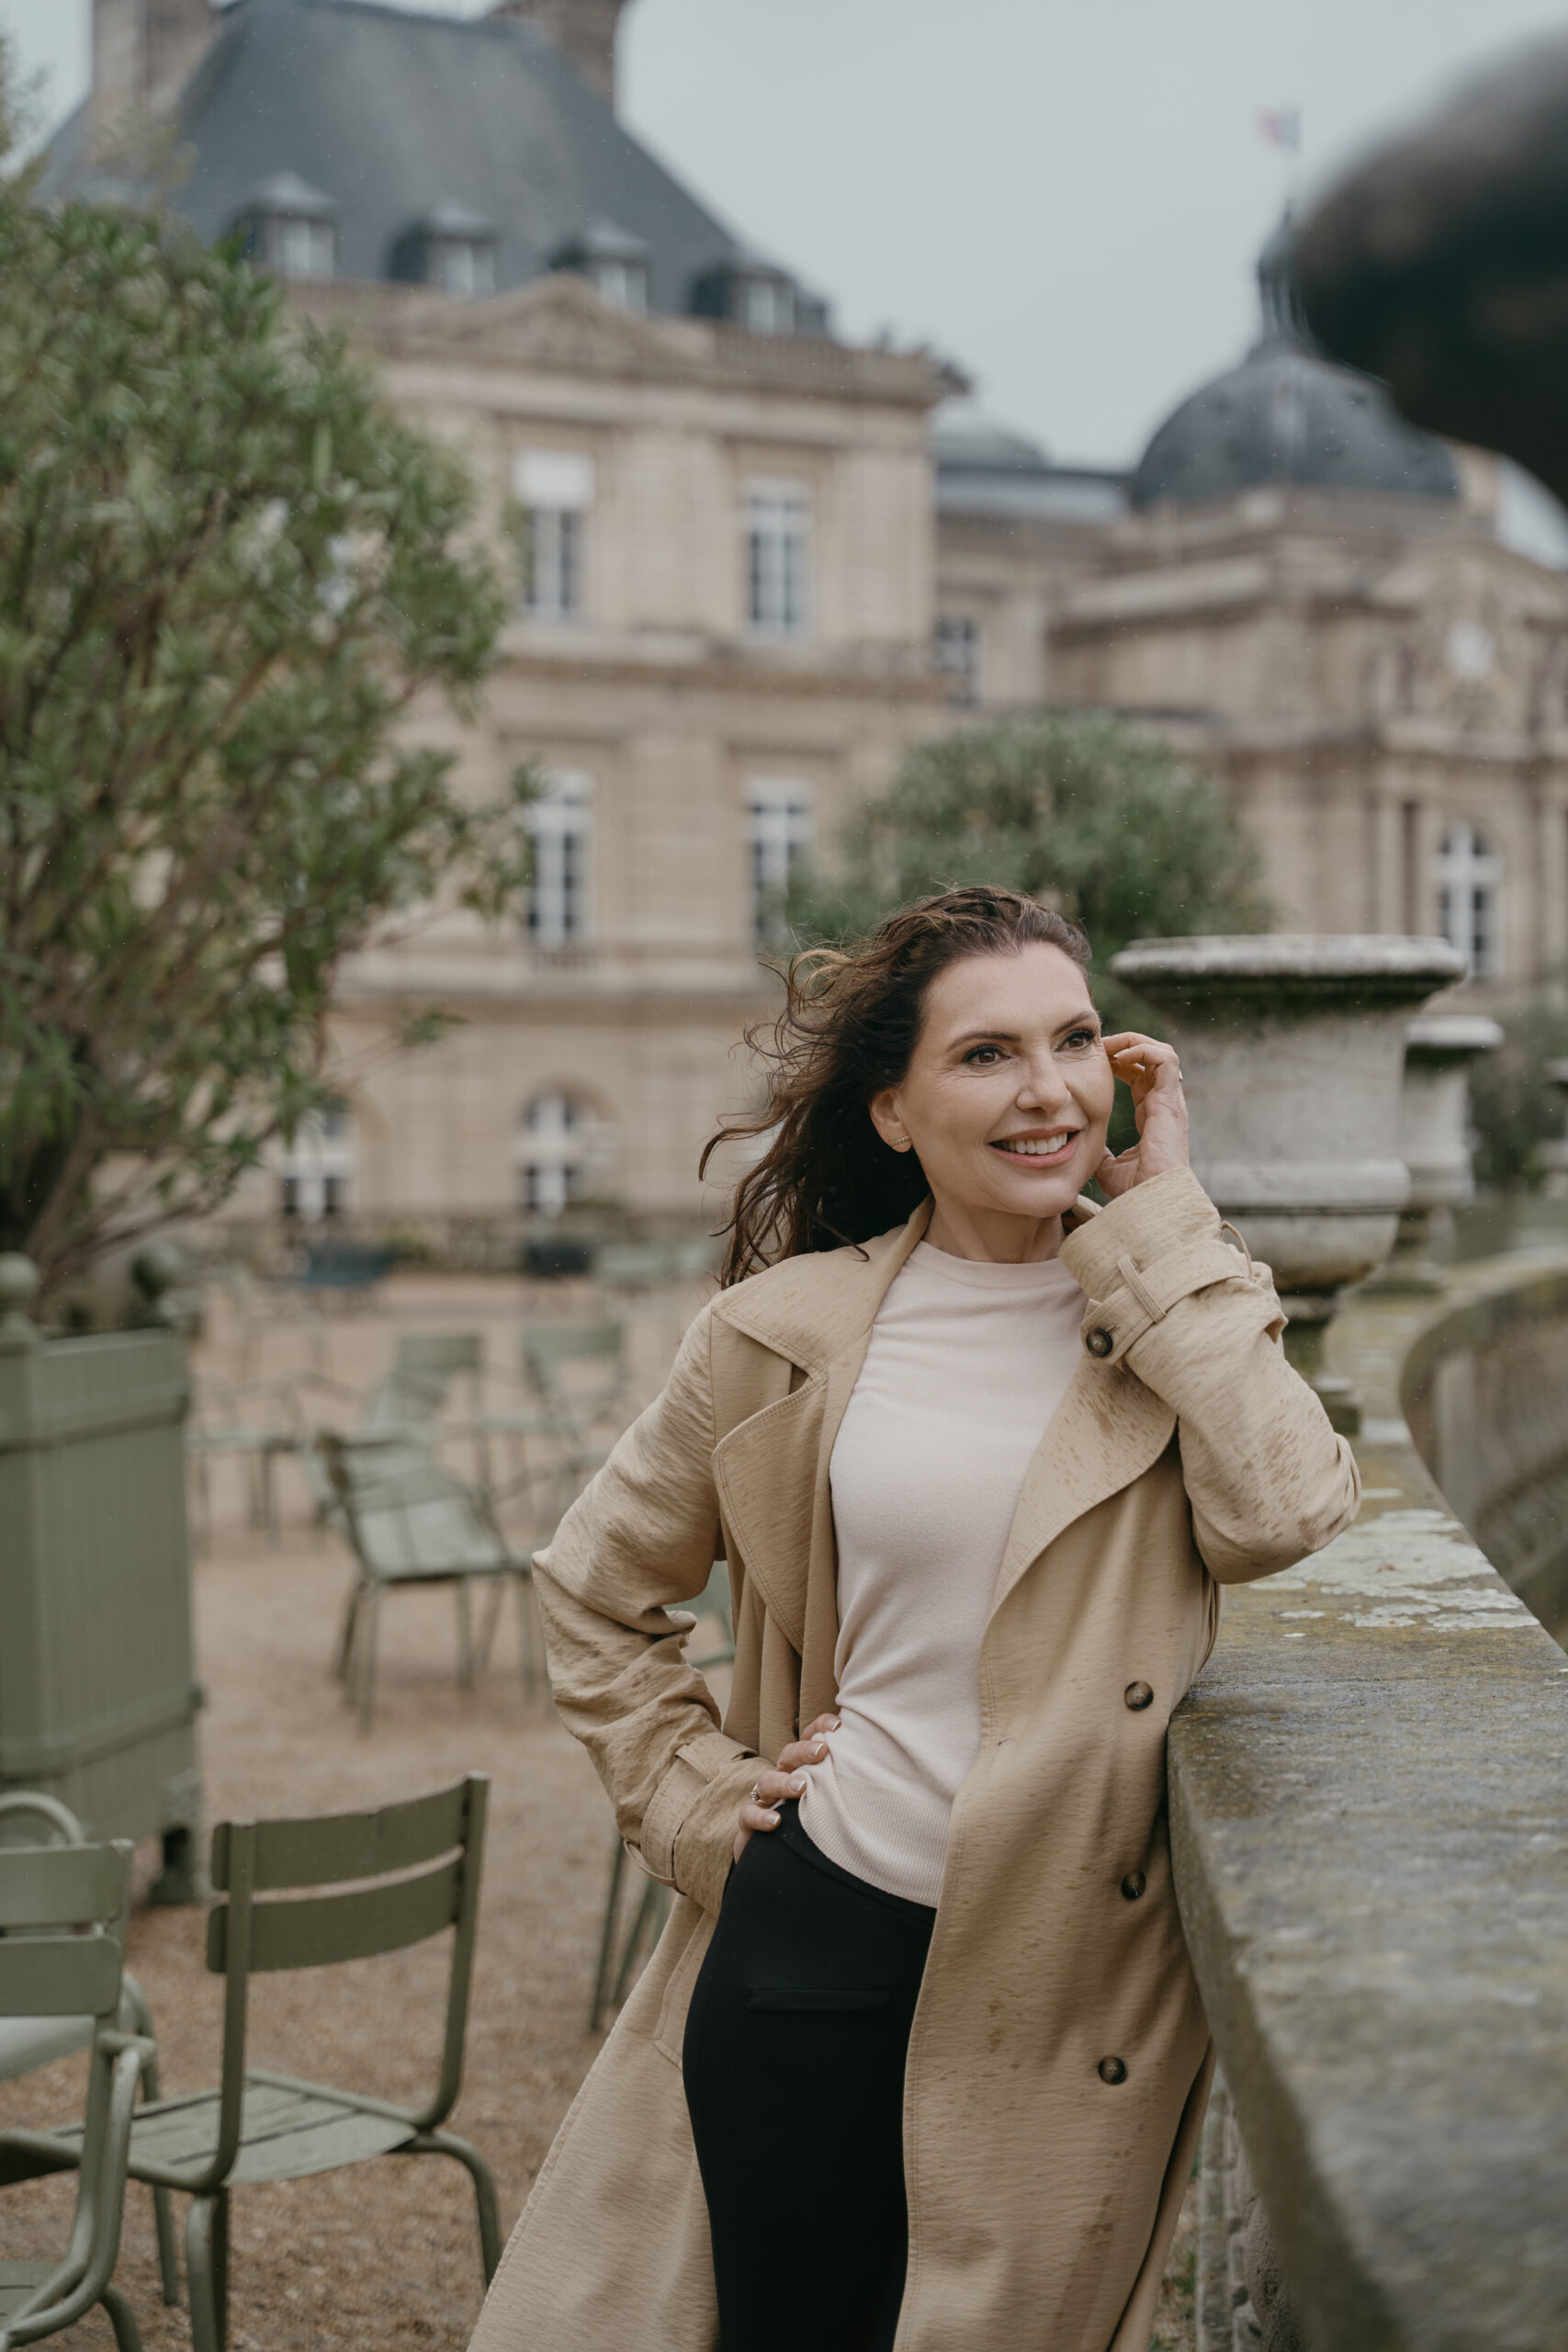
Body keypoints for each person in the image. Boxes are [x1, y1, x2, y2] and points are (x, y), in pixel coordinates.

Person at [468, 885, 1359, 2352]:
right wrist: (693, 1799)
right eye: (986, 1054)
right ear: (892, 1110)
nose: (1047, 1088)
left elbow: (1287, 1510)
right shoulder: (784, 1331)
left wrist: (1164, 1218)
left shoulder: (1163, 1309)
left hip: (1065, 1980)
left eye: (1073, 1039)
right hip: (819, 1932)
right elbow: (594, 1589)